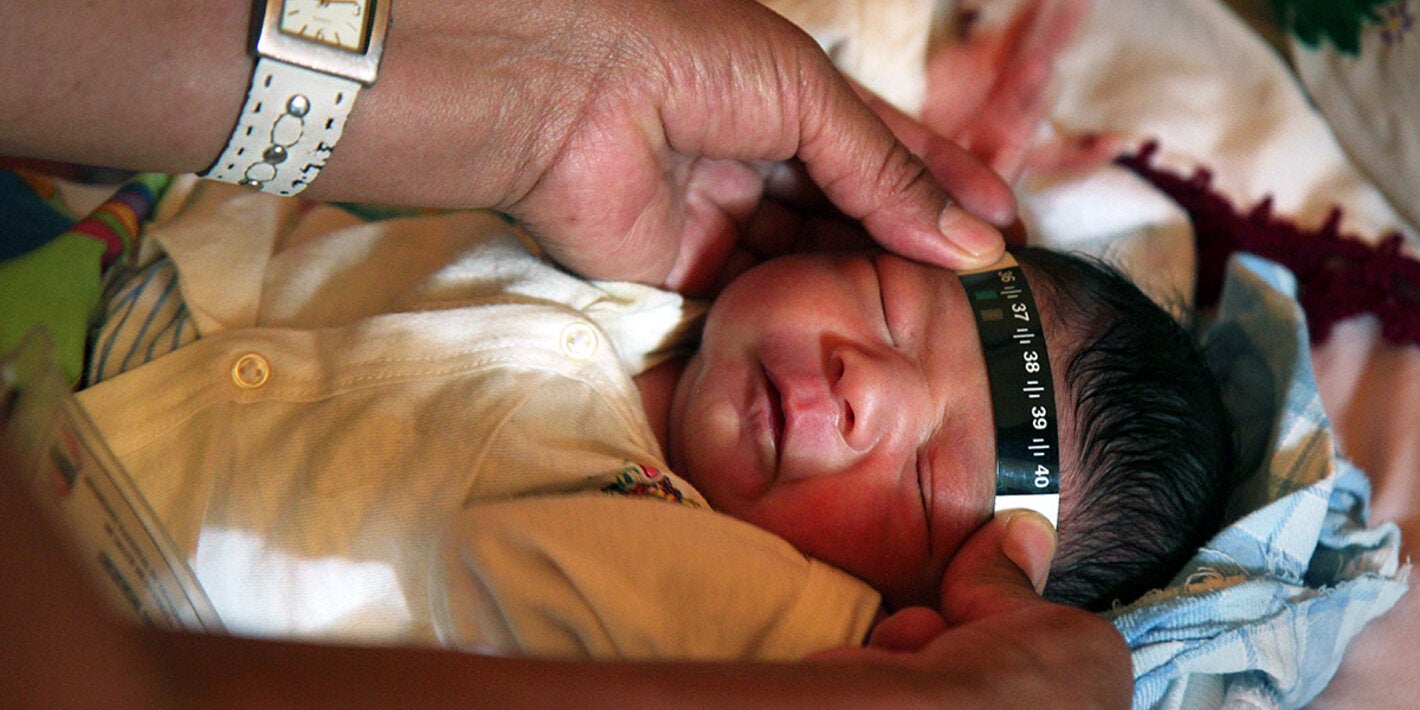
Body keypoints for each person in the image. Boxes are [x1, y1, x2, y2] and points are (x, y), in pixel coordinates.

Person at [1, 0, 1133, 704]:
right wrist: (548, 90)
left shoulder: (750, 603)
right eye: (888, 303)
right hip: (130, 273)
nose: (861, 381)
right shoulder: (647, 270)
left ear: (928, 607)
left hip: (103, 582)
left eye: (928, 483)